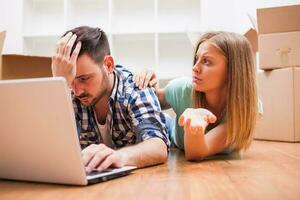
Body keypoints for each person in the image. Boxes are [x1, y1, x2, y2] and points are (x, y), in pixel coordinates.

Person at [51, 26, 170, 172]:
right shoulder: (68, 91)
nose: (77, 91)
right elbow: (51, 147)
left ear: (108, 65)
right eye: (71, 80)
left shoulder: (134, 88)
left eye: (84, 78)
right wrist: (59, 84)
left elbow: (158, 146)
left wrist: (119, 157)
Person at [134, 31, 261, 160]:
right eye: (196, 59)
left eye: (207, 61)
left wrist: (193, 121)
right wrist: (146, 81)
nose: (195, 67)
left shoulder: (247, 108)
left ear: (233, 71)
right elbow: (143, 103)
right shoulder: (183, 89)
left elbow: (196, 152)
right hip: (168, 134)